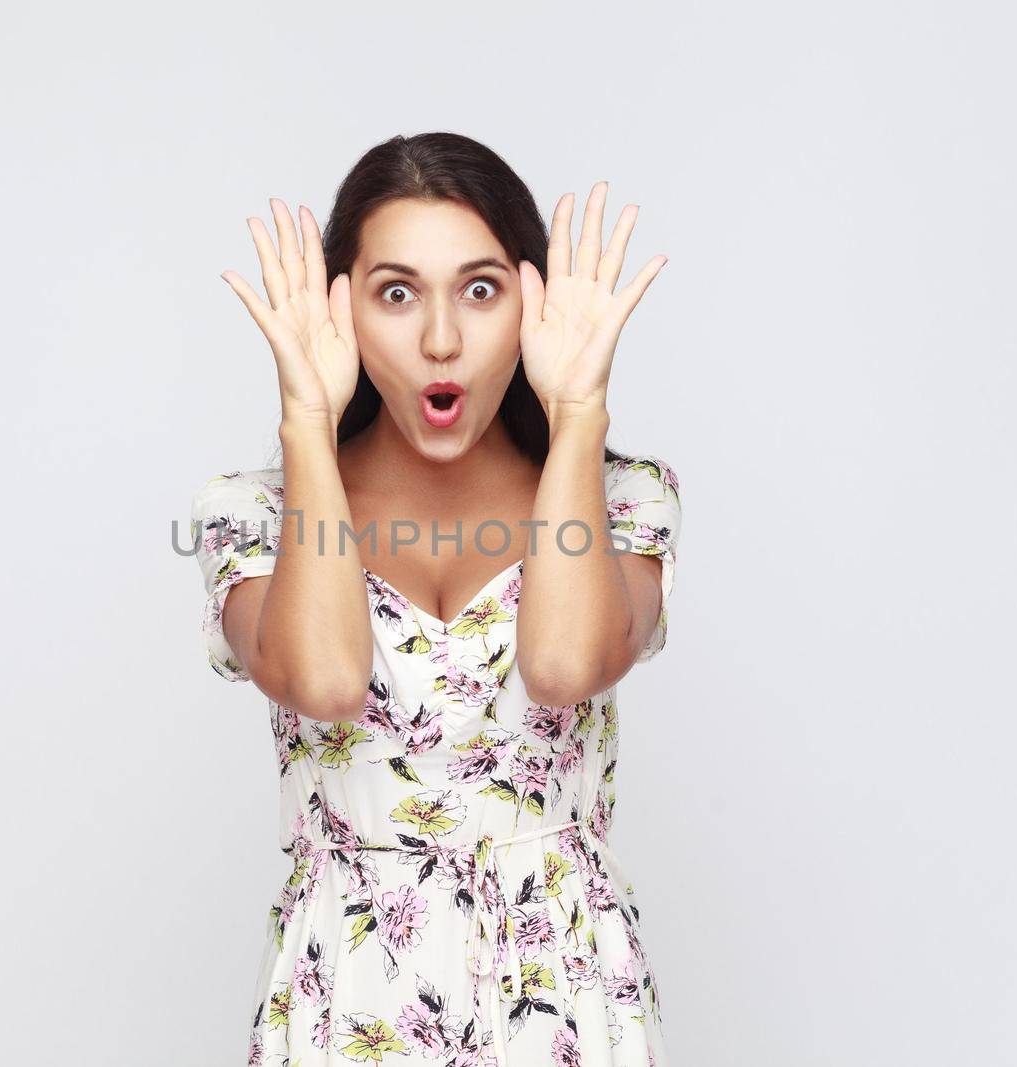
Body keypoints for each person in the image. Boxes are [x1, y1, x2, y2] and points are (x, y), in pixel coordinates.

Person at [190, 132, 683, 1067]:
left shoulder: (623, 502)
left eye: (482, 289)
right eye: (397, 292)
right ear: (342, 313)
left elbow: (564, 665)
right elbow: (326, 679)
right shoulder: (250, 515)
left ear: (534, 304)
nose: (442, 339)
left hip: (563, 997)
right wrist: (306, 420)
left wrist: (579, 412)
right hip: (348, 998)